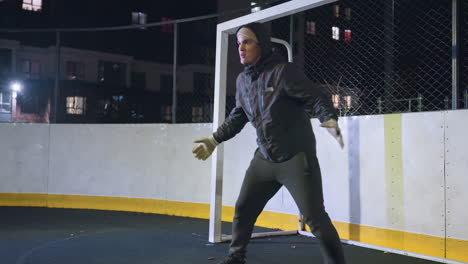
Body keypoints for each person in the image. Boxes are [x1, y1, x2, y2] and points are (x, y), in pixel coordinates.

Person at [192, 22, 346, 264]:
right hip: (264, 158)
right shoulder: (243, 80)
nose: (241, 48)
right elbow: (238, 115)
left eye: (247, 42)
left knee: (315, 219)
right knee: (243, 209)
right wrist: (214, 139)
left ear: (261, 44)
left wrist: (328, 119)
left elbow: (317, 98)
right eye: (239, 43)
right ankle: (235, 257)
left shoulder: (284, 71)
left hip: (295, 158)